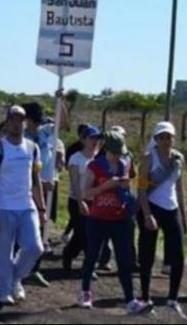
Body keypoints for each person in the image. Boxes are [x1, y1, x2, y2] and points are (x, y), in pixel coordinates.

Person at [77, 131, 150, 315]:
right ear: (107, 149)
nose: (118, 156)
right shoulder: (94, 166)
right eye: (115, 152)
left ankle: (130, 299)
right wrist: (106, 186)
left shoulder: (124, 165)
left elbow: (128, 188)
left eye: (121, 152)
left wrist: (125, 187)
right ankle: (85, 292)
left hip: (120, 218)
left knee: (124, 260)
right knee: (92, 256)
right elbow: (85, 193)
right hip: (98, 218)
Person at [0, 105, 46, 306]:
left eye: (20, 120)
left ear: (25, 123)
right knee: (3, 252)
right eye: (13, 120)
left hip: (27, 206)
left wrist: (42, 208)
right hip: (3, 207)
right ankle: (4, 290)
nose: (17, 124)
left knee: (35, 248)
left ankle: (15, 278)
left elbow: (35, 179)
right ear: (7, 122)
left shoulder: (32, 148)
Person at [137, 122, 187, 320]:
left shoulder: (178, 159)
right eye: (162, 137)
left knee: (179, 255)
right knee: (147, 255)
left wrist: (183, 215)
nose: (166, 141)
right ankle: (145, 297)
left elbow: (179, 188)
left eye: (169, 137)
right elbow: (141, 189)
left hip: (171, 208)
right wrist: (147, 214)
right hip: (152, 207)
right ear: (156, 139)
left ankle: (173, 299)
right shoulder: (149, 158)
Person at [21, 99, 67, 287]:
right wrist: (41, 182)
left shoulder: (45, 132)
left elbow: (63, 123)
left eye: (40, 120)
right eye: (35, 120)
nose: (39, 124)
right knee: (27, 231)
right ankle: (19, 269)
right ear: (28, 121)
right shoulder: (21, 139)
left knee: (43, 228)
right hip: (29, 189)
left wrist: (60, 101)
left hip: (48, 186)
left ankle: (34, 270)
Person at [62, 125, 103, 272]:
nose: (95, 141)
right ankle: (69, 254)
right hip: (77, 200)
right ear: (83, 139)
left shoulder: (101, 158)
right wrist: (80, 202)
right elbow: (74, 183)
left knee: (92, 235)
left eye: (97, 138)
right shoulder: (76, 159)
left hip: (96, 202)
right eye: (92, 138)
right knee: (82, 233)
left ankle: (86, 264)